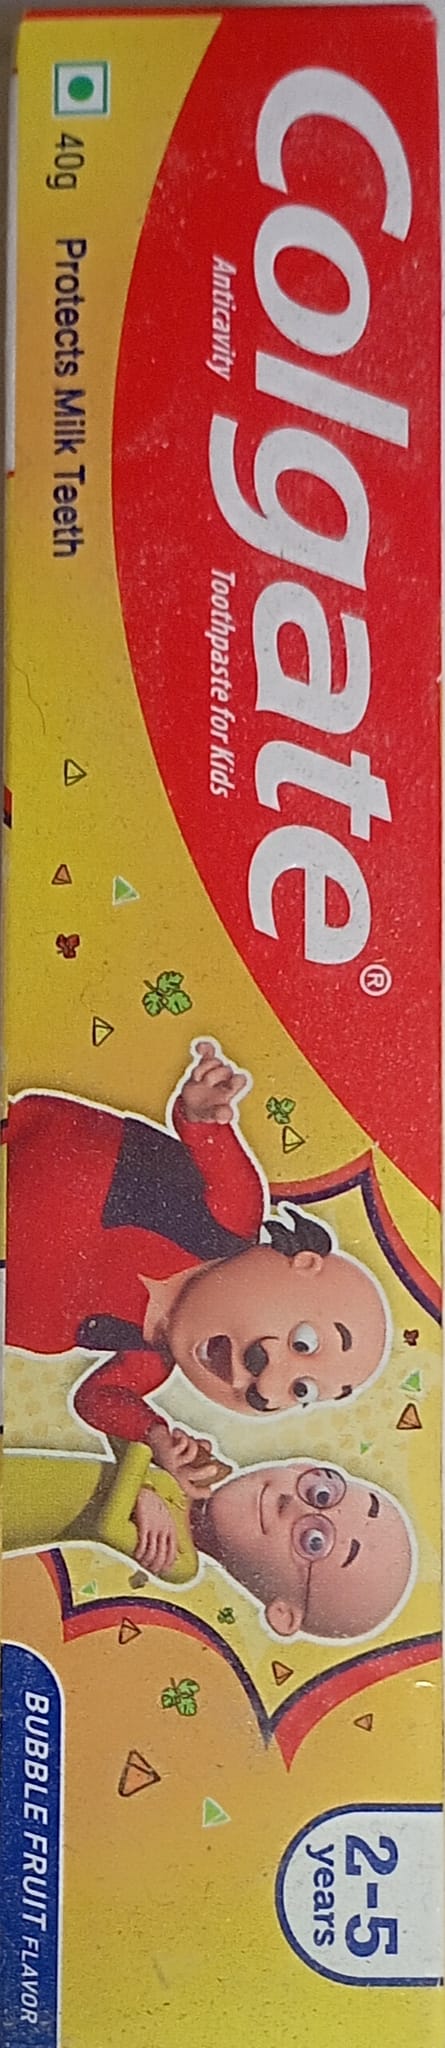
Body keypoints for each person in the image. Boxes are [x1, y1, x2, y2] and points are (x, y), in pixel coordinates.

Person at [5, 1038, 390, 1483]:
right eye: (302, 1343)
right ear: (302, 1264)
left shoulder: (149, 1359)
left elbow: (97, 1399)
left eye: (301, 1391)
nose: (267, 1388)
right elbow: (206, 1136)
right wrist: (203, 1110)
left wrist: (156, 1436)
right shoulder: (234, 1213)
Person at [3, 1433, 415, 1644]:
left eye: (313, 1541)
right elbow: (108, 1421)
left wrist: (145, 1466)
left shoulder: (181, 1561)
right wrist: (164, 1446)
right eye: (321, 1492)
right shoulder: (194, 1480)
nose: (290, 1503)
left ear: (283, 1613)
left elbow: (108, 1526)